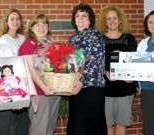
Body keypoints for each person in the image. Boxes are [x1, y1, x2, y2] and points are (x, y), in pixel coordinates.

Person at [96, 5, 138, 135]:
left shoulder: (129, 39)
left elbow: (135, 61)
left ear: (120, 20)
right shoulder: (99, 39)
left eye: (115, 18)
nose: (112, 21)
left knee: (121, 125)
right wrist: (105, 72)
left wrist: (130, 75)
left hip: (125, 87)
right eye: (109, 18)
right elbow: (96, 62)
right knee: (107, 125)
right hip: (105, 88)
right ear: (105, 21)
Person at [66, 3, 107, 135]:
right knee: (77, 126)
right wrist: (69, 79)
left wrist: (82, 80)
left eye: (84, 16)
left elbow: (94, 61)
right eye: (77, 16)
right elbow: (70, 64)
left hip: (91, 88)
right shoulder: (73, 38)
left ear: (90, 19)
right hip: (76, 87)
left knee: (91, 127)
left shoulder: (95, 36)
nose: (80, 19)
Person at [19, 14, 61, 135]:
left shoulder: (50, 44)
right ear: (31, 28)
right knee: (39, 130)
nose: (42, 27)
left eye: (44, 24)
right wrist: (44, 88)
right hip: (40, 93)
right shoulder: (28, 45)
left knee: (49, 129)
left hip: (53, 92)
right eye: (38, 24)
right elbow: (31, 70)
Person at [0, 8, 29, 135]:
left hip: (23, 83)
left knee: (22, 121)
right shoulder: (4, 39)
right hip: (11, 84)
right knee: (11, 122)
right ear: (7, 22)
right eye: (12, 19)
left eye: (17, 19)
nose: (15, 22)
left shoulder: (23, 38)